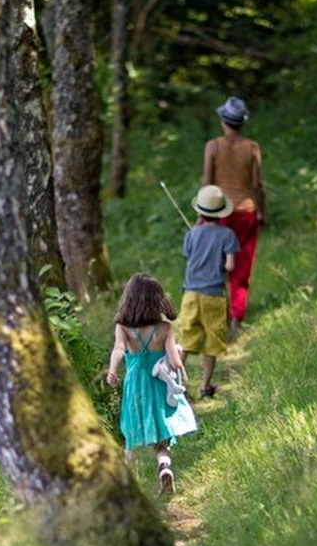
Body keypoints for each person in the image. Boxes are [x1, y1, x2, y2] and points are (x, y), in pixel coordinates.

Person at [106, 273, 187, 494]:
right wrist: (179, 357)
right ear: (157, 300)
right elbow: (175, 361)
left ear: (129, 299)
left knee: (131, 429)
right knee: (162, 436)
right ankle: (164, 467)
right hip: (158, 385)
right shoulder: (165, 328)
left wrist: (113, 370)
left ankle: (127, 484)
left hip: (136, 384)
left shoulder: (123, 327)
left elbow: (119, 350)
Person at [203, 96, 265, 339]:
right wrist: (262, 211)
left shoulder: (213, 146)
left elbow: (207, 182)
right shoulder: (252, 148)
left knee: (216, 266)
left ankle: (219, 317)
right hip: (246, 212)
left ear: (223, 121)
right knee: (242, 267)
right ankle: (236, 320)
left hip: (220, 213)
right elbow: (257, 185)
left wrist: (202, 215)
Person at [179, 185, 240, 400]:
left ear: (200, 212)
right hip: (214, 293)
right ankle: (205, 387)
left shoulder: (192, 234)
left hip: (191, 294)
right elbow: (231, 266)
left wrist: (196, 230)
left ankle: (175, 384)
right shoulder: (228, 235)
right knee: (212, 341)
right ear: (221, 212)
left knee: (185, 339)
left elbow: (188, 256)